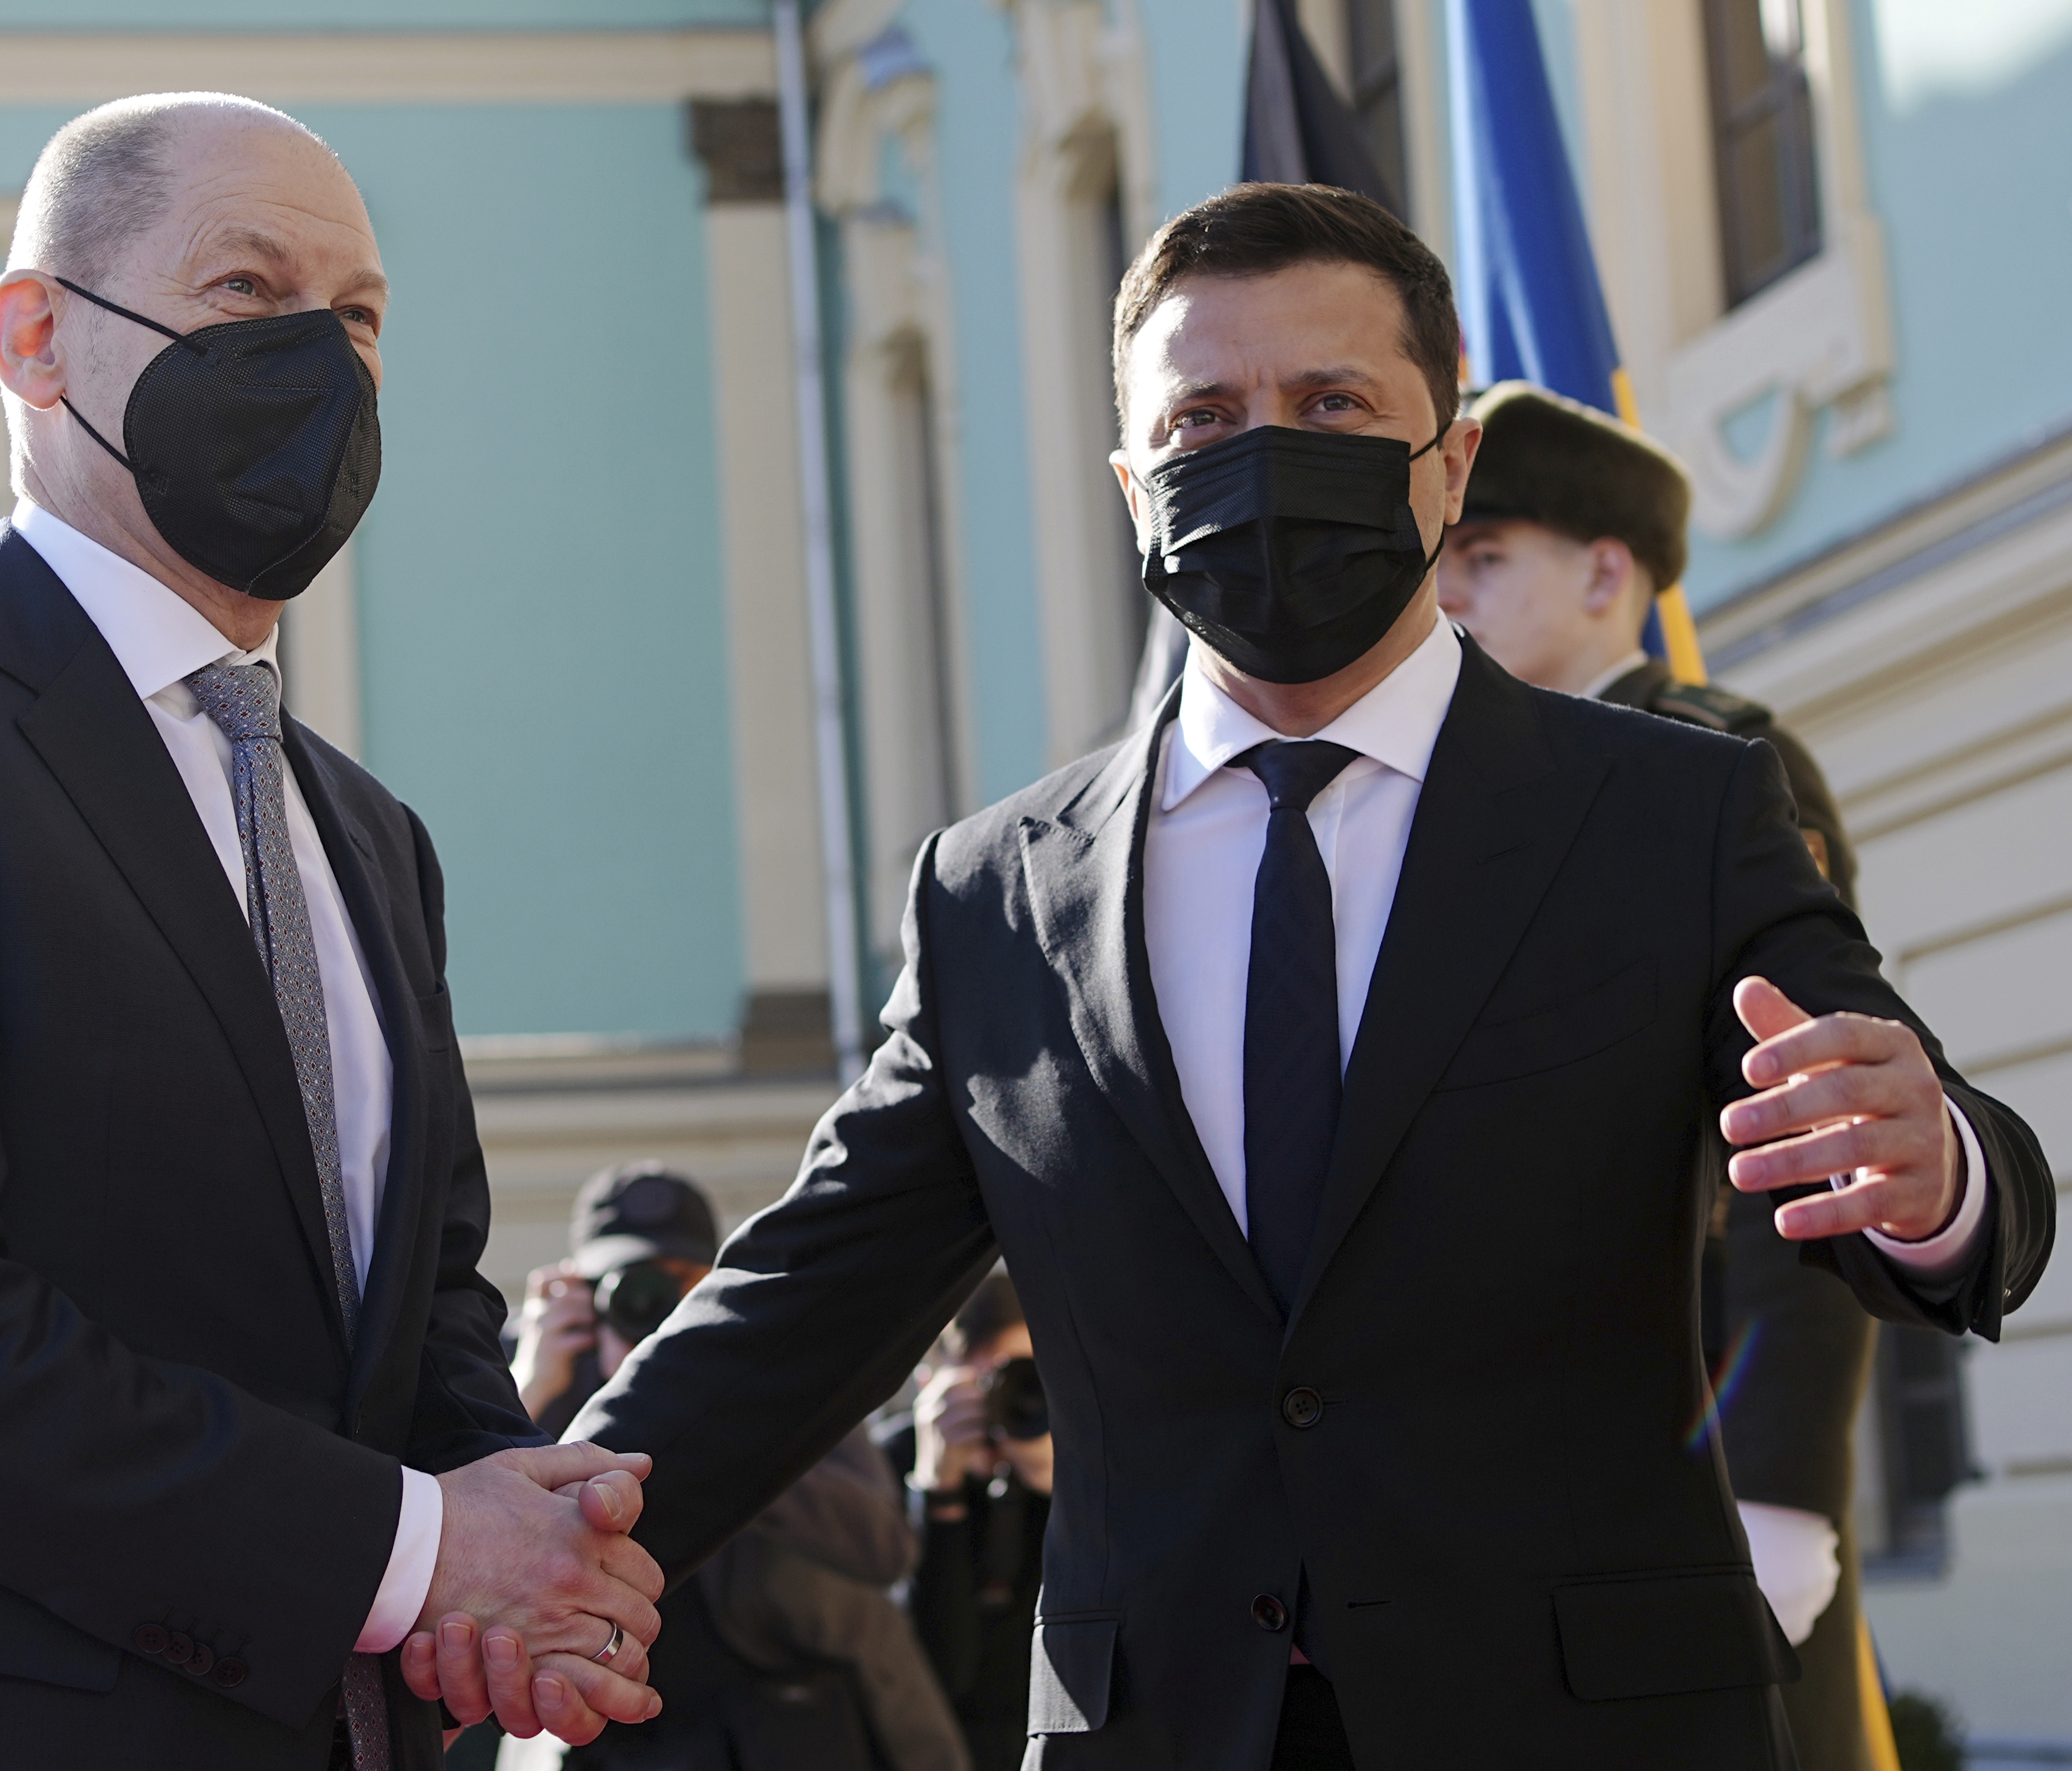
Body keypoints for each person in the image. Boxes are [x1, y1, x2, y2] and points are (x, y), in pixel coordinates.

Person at [512, 183, 2054, 1768]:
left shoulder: (1671, 812)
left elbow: (1927, 1159)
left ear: (1446, 464)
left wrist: (1928, 1166)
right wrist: (525, 1526)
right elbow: (806, 1292)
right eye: (1201, 417)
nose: (1263, 454)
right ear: (1131, 488)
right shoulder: (992, 894)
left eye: (1330, 404)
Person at [0, 92, 663, 1771]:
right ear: (36, 339)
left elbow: (415, 1315)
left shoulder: (367, 834)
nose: (318, 363)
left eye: (356, 318)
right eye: (247, 292)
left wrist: (531, 1552)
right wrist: (417, 1551)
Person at [1439, 380, 1885, 1771]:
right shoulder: (1455, 808)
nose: (1441, 594)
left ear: (1605, 570)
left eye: (1483, 557)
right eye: (1434, 558)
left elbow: (1811, 1132)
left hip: (1684, 1455)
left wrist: (1781, 1489)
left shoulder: (1717, 770)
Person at [495, 1165, 963, 1771]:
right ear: (583, 1294)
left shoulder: (779, 1370)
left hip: (789, 1726)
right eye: (629, 1288)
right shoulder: (543, 1381)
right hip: (609, 1743)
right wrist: (532, 1388)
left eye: (679, 1285)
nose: (655, 1310)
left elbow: (882, 1547)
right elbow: (468, 1539)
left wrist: (728, 1419)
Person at [878, 1270, 1051, 1771]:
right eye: (987, 1382)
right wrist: (937, 1493)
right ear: (934, 1381)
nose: (1006, 1400)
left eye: (1025, 1379)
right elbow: (934, 1670)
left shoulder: (1079, 1466)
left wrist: (1053, 1487)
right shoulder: (894, 1461)